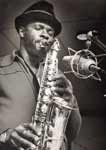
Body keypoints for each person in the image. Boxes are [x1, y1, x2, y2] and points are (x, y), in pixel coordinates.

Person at [0, 0, 81, 150]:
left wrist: (70, 101)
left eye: (50, 33)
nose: (46, 35)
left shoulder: (59, 77)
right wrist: (4, 136)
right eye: (39, 28)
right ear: (22, 31)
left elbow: (72, 134)